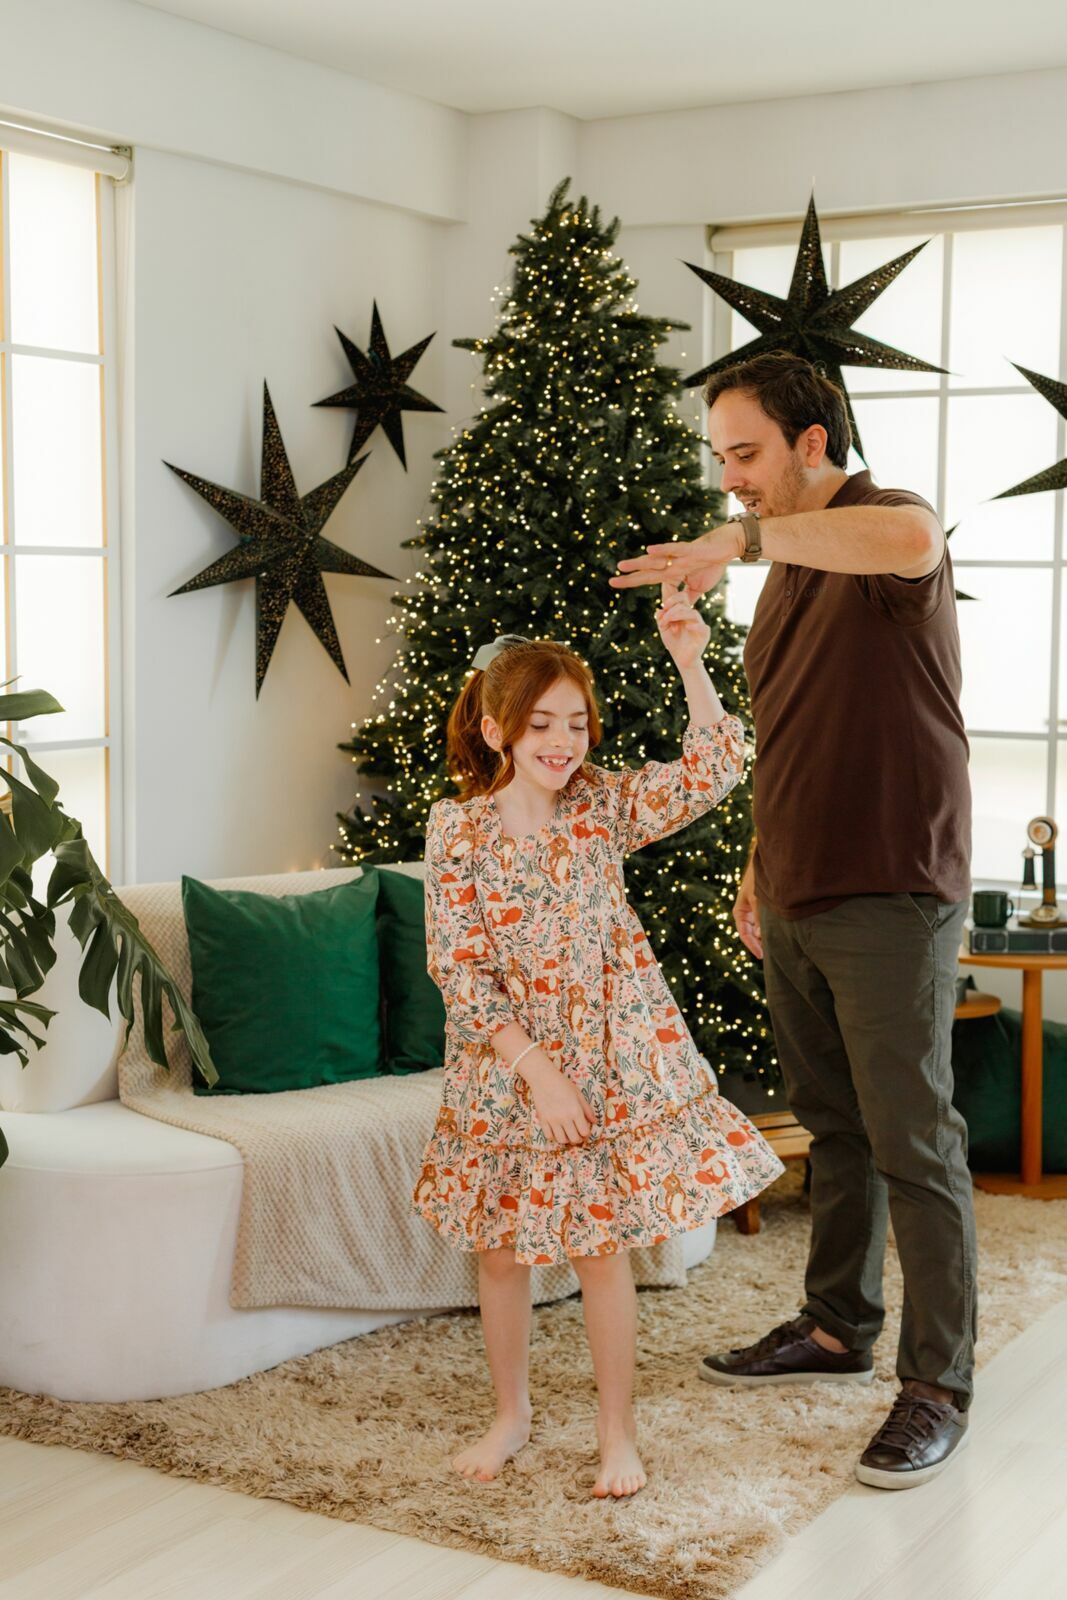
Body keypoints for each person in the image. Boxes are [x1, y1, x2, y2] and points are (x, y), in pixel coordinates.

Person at [610, 351, 975, 1491]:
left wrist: (746, 541)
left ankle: (935, 1382)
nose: (730, 483)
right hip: (800, 887)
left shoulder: (873, 523)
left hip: (891, 882)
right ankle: (833, 1325)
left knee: (912, 1135)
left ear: (811, 442)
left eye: (746, 454)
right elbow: (788, 731)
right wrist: (759, 864)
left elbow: (915, 541)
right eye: (720, 458)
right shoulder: (780, 582)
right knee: (834, 1124)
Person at [413, 595, 783, 1499]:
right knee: (500, 1252)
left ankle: (617, 1432)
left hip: (607, 1058)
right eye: (541, 723)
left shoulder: (602, 807)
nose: (561, 740)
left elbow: (718, 764)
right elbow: (457, 968)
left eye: (576, 723)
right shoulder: (456, 829)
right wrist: (534, 1074)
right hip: (504, 1070)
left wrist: (690, 659)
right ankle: (512, 1415)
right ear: (498, 729)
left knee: (598, 1248)